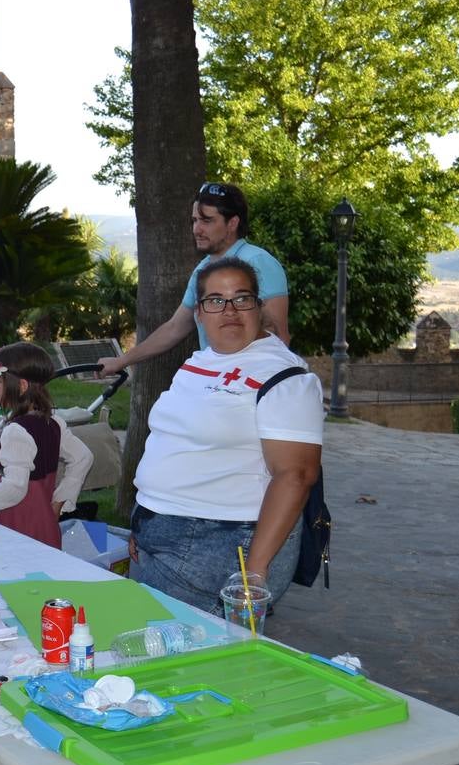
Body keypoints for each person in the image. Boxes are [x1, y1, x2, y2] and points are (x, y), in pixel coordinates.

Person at [128, 258, 322, 613]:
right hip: (156, 537)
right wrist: (145, 523)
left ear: (259, 307)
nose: (229, 310)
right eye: (215, 300)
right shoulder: (198, 361)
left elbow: (296, 475)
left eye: (241, 298)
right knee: (152, 651)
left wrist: (255, 573)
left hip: (219, 546)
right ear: (199, 314)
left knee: (181, 660)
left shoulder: (283, 375)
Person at [98, 182, 289, 377]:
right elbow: (174, 328)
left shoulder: (259, 262)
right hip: (212, 382)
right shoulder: (203, 269)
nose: (197, 229)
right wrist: (121, 361)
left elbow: (279, 337)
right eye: (195, 220)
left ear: (232, 223)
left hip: (247, 388)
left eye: (207, 221)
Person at [0, 343, 94, 549]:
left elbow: (14, 488)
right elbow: (83, 457)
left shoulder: (16, 431)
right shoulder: (53, 422)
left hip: (15, 529)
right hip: (44, 526)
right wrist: (59, 501)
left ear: (21, 386)